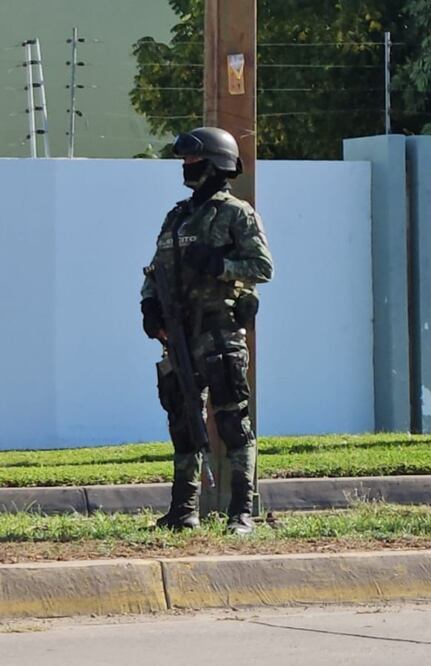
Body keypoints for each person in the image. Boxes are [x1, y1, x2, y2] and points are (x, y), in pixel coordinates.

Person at [140, 126, 273, 535]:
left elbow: (262, 268)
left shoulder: (237, 213)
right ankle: (183, 512)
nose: (186, 166)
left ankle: (242, 513)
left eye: (193, 160)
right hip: (179, 337)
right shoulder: (176, 217)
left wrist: (218, 264)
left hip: (219, 334)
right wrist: (149, 306)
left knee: (233, 423)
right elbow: (156, 269)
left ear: (215, 164)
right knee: (183, 423)